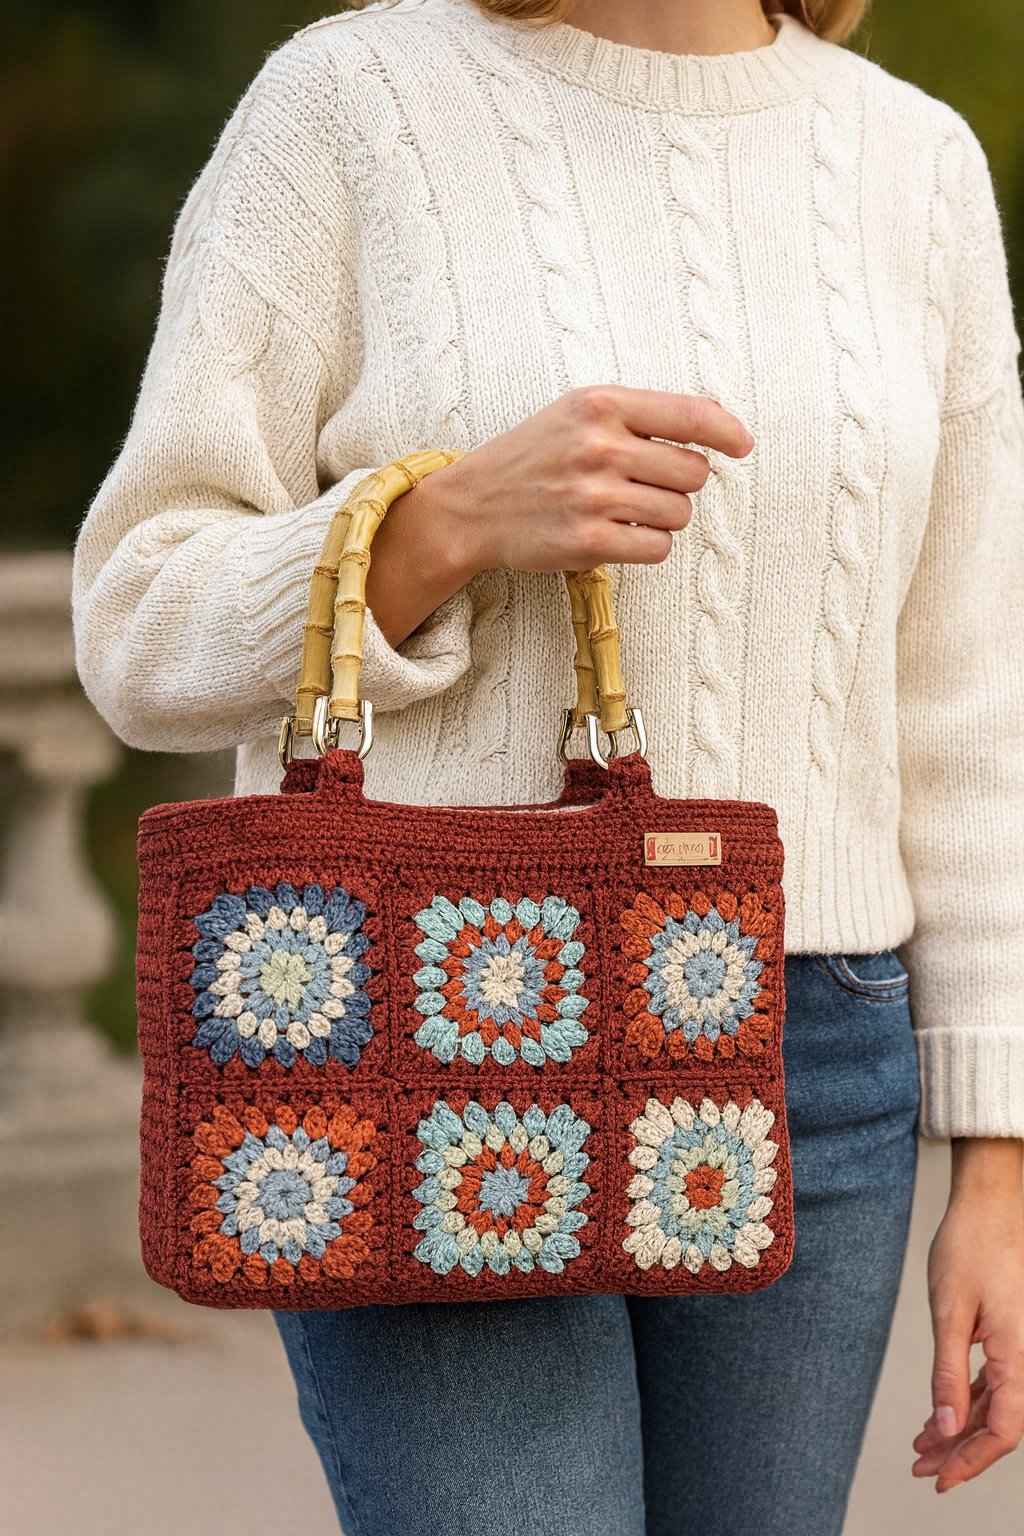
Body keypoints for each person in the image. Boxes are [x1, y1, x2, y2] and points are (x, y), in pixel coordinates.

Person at [73, 0, 1024, 1531]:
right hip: (427, 1016)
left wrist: (1002, 1163)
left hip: (810, 1045)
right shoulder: (349, 102)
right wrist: (436, 529)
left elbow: (973, 701)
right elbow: (133, 620)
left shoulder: (913, 160)